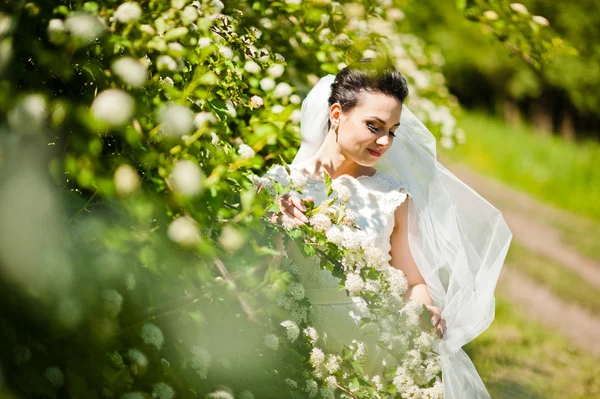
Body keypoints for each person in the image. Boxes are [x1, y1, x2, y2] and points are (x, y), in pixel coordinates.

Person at [263, 57, 512, 398]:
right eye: (374, 126)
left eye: (392, 131)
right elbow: (259, 276)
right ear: (337, 115)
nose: (385, 141)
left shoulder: (391, 194)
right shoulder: (282, 187)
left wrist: (426, 308)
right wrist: (277, 228)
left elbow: (411, 279)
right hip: (303, 346)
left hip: (375, 350)